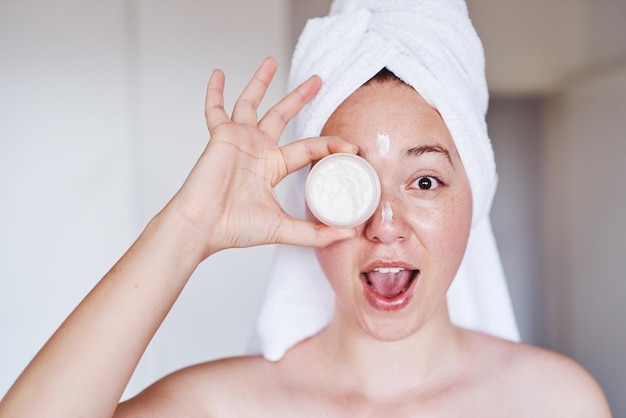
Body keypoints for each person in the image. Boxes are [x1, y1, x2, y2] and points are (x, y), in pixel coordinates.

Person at [0, 1, 612, 417]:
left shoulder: (553, 402)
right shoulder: (223, 408)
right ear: (310, 200)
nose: (385, 226)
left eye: (424, 181)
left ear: (474, 196)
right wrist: (188, 226)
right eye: (352, 184)